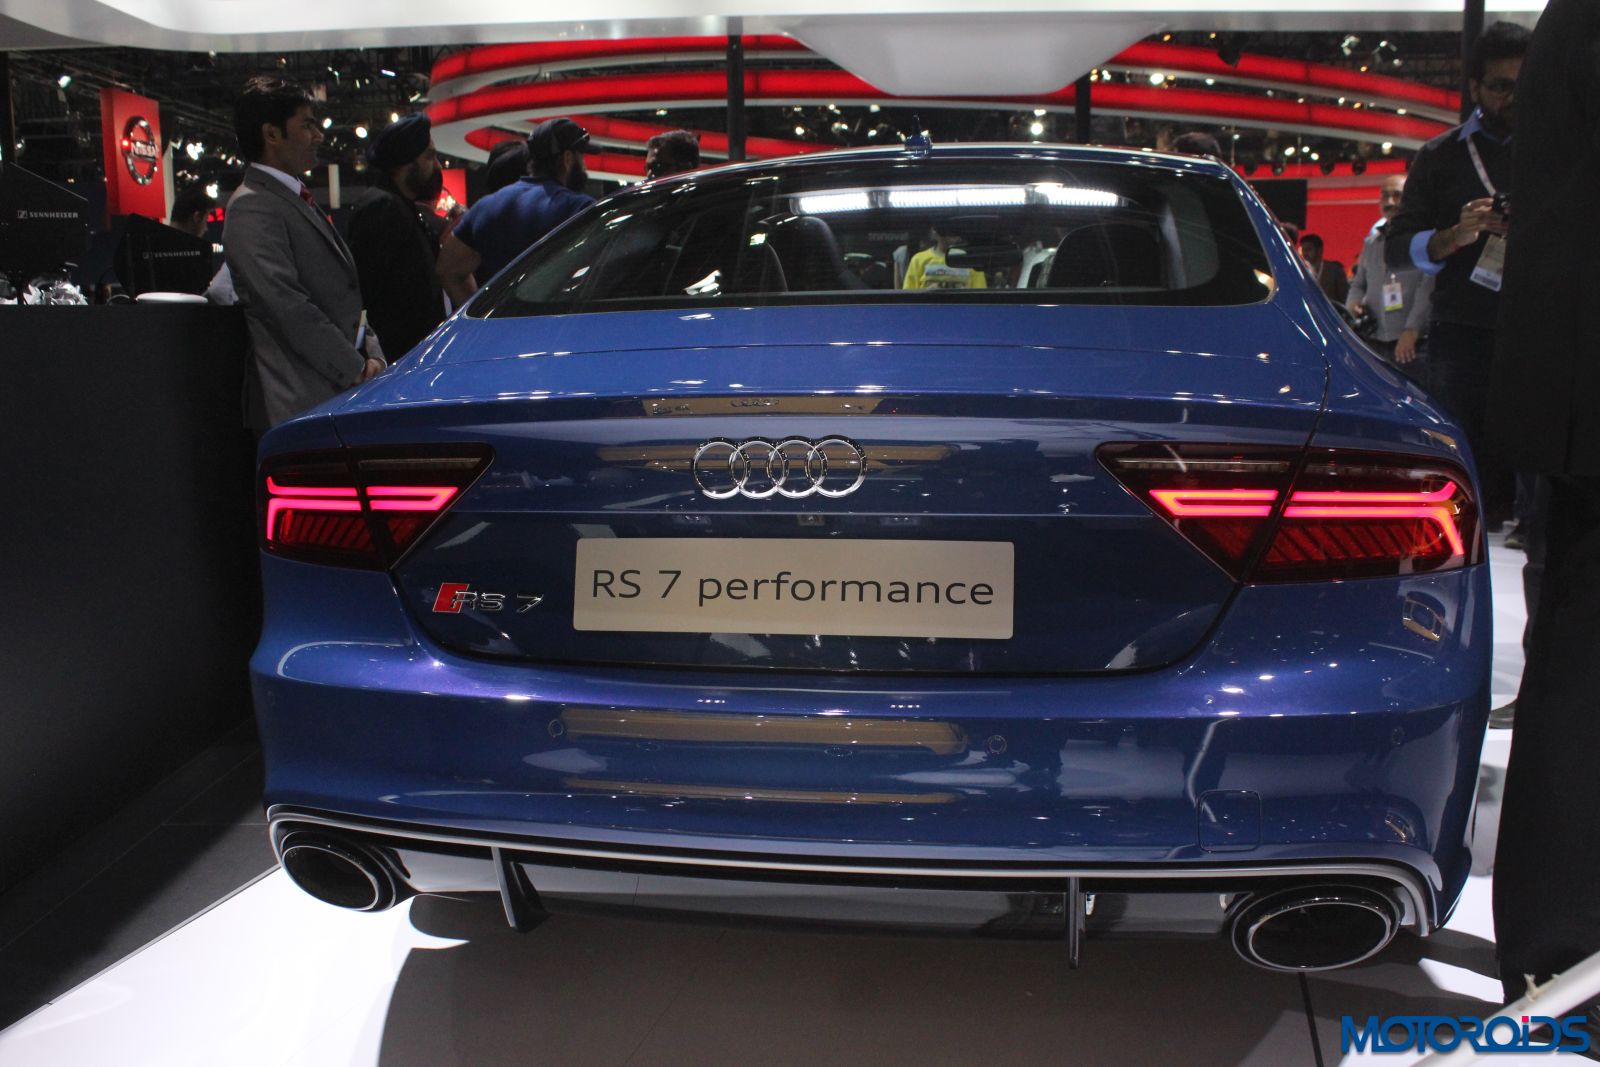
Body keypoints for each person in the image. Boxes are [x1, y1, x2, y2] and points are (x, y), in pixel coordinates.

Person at [1486, 0, 1600, 1028]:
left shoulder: (1570, 22)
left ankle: (1557, 961)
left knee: (1573, 672)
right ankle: (1563, 966)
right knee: (1576, 681)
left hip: (1573, 403)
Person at [1386, 21, 1530, 529]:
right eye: (1501, 86)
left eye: (1523, 84)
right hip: (1464, 333)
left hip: (1543, 331)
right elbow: (1397, 249)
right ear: (1475, 88)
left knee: (1541, 477)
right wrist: (1453, 236)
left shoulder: (1561, 150)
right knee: (1460, 472)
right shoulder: (1441, 156)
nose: (1514, 98)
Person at [222, 76, 384, 432]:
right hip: (300, 401)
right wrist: (355, 367)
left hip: (337, 391)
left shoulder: (292, 198)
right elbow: (286, 306)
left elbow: (345, 298)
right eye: (307, 125)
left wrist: (372, 356)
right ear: (272, 134)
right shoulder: (253, 206)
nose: (319, 135)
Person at [436, 118, 595, 306]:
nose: (584, 166)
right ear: (567, 159)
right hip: (560, 321)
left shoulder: (486, 207)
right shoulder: (579, 209)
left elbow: (448, 269)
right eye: (581, 157)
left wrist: (480, 314)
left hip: (502, 322)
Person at [345, 113, 447, 361]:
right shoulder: (382, 208)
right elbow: (364, 292)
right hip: (397, 359)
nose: (437, 166)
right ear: (405, 163)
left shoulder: (399, 205)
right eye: (429, 156)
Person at [1348, 174, 1433, 373]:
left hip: (1412, 343)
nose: (1390, 202)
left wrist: (1412, 329)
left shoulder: (1423, 239)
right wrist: (1353, 303)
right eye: (1385, 196)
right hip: (1374, 339)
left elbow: (1428, 287)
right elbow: (1358, 283)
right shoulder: (1372, 242)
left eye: (1397, 195)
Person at [901, 224, 987, 290]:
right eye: (949, 233)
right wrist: (927, 293)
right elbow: (909, 295)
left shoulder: (971, 260)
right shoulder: (918, 260)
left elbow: (980, 296)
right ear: (935, 232)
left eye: (956, 233)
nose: (954, 238)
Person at [1298, 233, 1350, 305]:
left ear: (1319, 250)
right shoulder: (1300, 270)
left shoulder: (1335, 270)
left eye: (1309, 249)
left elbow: (1344, 297)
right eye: (1303, 249)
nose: (1305, 253)